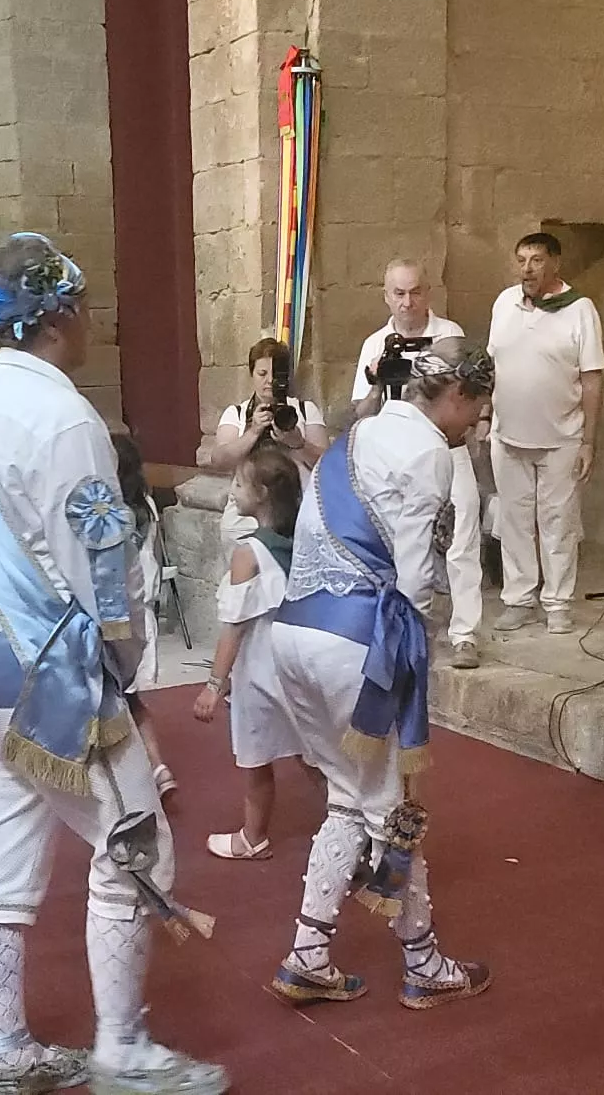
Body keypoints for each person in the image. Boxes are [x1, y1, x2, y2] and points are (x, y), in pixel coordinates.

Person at [0, 232, 226, 1095]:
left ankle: (8, 1052)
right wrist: (125, 663)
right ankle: (123, 1051)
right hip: (53, 680)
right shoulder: (66, 420)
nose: (93, 317)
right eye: (84, 302)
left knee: (1, 857)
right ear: (60, 312)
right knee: (136, 845)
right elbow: (102, 570)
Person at [268, 337, 492, 1013]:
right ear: (456, 395)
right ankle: (423, 963)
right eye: (478, 407)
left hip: (293, 628)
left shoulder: (360, 432)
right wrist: (415, 656)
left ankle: (309, 956)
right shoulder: (428, 450)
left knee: (347, 796)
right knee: (393, 808)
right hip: (356, 639)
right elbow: (417, 578)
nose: (478, 422)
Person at [351, 261, 483, 669]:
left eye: (415, 292)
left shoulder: (449, 334)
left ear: (428, 292)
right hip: (398, 452)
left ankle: (465, 633)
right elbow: (361, 412)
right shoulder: (375, 343)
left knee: (462, 537)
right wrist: (378, 382)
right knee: (403, 538)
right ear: (386, 296)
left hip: (449, 444)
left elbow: (468, 393)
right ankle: (401, 625)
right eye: (399, 293)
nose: (407, 302)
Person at [486, 232, 604, 637]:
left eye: (536, 260)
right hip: (508, 435)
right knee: (514, 521)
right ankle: (519, 599)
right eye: (521, 260)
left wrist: (589, 440)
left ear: (555, 263)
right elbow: (493, 365)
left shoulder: (580, 309)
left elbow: (592, 378)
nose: (527, 269)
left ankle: (557, 602)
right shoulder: (505, 303)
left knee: (558, 523)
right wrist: (485, 415)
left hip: (562, 437)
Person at [192, 446, 307, 860]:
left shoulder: (248, 553)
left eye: (239, 484)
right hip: (297, 660)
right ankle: (356, 827)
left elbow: (234, 626)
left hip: (259, 668)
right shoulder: (302, 542)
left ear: (261, 494)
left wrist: (213, 684)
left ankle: (253, 836)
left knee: (256, 756)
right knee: (312, 752)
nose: (232, 491)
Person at [204, 337, 327, 541]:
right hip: (244, 521)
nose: (269, 380)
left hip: (297, 516)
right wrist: (253, 432)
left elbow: (327, 464)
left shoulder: (305, 410)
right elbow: (219, 460)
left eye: (276, 374)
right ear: (252, 374)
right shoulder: (236, 413)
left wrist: (298, 443)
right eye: (262, 373)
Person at [114, 433, 175, 800]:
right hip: (143, 610)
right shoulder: (146, 505)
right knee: (132, 699)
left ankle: (138, 774)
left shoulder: (111, 514)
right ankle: (156, 765)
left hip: (116, 614)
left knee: (117, 700)